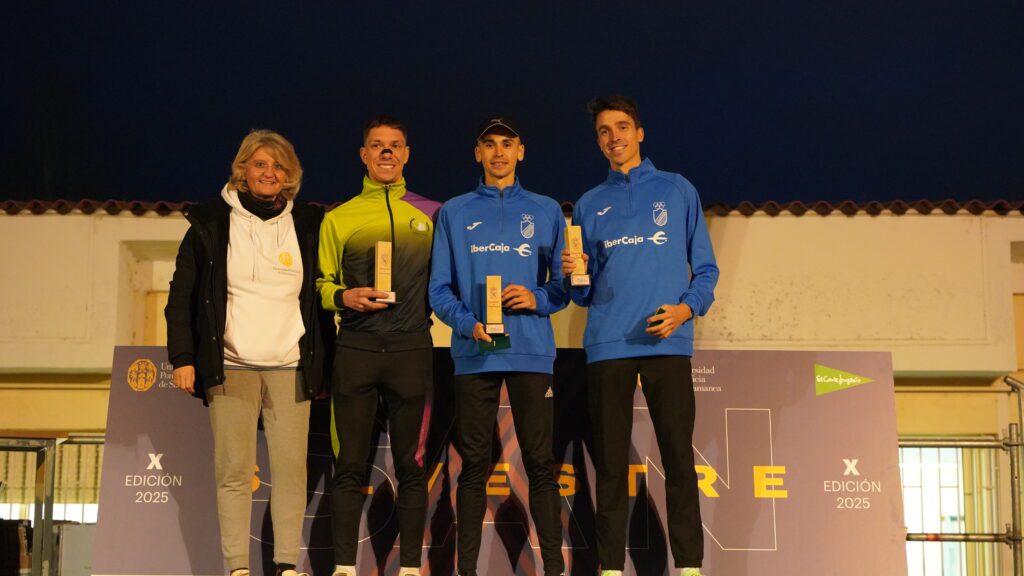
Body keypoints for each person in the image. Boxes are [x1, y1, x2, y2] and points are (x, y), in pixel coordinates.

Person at [165, 129, 334, 576]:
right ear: (242, 170)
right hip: (230, 365)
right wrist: (182, 358)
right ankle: (238, 566)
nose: (269, 172)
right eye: (260, 164)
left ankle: (286, 565)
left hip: (290, 366)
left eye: (278, 166)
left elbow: (318, 299)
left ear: (290, 175)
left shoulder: (308, 225)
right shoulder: (209, 223)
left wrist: (325, 366)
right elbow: (181, 297)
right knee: (235, 472)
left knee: (292, 472)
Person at [563, 96, 720, 576]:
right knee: (610, 466)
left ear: (640, 132)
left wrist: (685, 310)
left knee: (678, 459)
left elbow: (706, 270)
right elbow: (582, 294)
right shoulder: (589, 204)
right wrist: (575, 275)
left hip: (665, 342)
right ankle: (611, 567)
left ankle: (689, 566)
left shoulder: (677, 190)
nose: (614, 137)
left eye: (622, 127)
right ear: (598, 142)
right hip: (608, 347)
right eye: (604, 131)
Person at [429, 117, 568, 576]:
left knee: (541, 464)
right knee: (474, 465)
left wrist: (537, 298)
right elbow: (439, 290)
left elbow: (563, 287)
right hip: (475, 354)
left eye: (507, 144)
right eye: (489, 144)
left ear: (521, 151)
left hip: (531, 352)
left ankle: (554, 569)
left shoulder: (547, 210)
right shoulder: (454, 212)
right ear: (477, 153)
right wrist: (468, 324)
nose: (499, 153)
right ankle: (466, 571)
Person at [317, 116, 440, 576]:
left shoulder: (433, 214)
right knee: (350, 464)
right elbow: (320, 285)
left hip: (411, 349)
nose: (386, 152)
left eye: (395, 145)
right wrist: (343, 296)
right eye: (377, 145)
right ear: (363, 155)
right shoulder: (338, 218)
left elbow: (447, 281)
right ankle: (343, 567)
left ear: (406, 154)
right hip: (356, 350)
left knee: (412, 465)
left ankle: (409, 568)